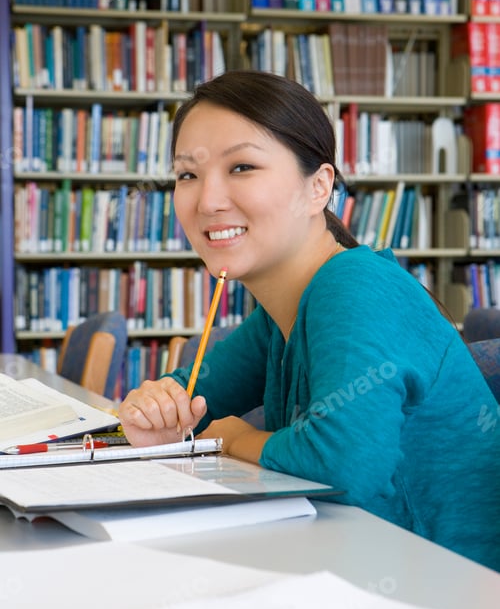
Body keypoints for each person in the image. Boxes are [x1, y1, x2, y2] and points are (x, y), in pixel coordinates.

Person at [119, 70, 500, 571]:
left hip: (443, 603)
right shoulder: (280, 311)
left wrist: (235, 440)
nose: (207, 200)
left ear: (318, 187)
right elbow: (192, 397)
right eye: (188, 174)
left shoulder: (356, 286)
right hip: (355, 569)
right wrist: (153, 409)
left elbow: (346, 464)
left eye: (242, 167)